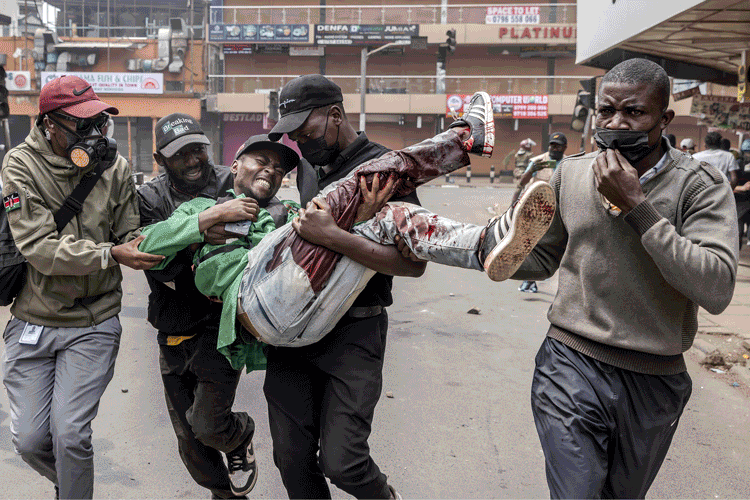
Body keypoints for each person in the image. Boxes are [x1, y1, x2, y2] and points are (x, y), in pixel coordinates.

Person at [511, 58, 738, 499]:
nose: (616, 124)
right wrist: (461, 245)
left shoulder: (700, 185)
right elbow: (540, 257)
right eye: (606, 111)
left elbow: (716, 287)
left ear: (664, 119)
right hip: (570, 361)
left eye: (634, 112)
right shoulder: (570, 173)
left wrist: (638, 208)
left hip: (653, 377)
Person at [1, 75, 164, 499]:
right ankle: (71, 482)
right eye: (81, 123)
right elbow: (39, 248)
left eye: (98, 121)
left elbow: (131, 233)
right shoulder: (21, 165)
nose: (94, 132)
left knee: (71, 435)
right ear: (49, 124)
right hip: (33, 319)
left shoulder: (115, 167)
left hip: (94, 320)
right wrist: (111, 254)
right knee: (30, 442)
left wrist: (177, 231)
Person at [137, 113, 261, 498]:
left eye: (198, 150)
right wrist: (205, 231)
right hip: (173, 325)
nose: (193, 160)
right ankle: (223, 492)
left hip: (220, 324)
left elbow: (254, 237)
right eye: (180, 154)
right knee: (190, 443)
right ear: (160, 159)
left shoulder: (230, 182)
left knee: (208, 424)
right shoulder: (150, 198)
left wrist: (182, 240)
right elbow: (154, 259)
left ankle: (238, 436)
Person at [510, 132, 567, 293]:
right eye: (552, 145)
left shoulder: (569, 164)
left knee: (559, 245)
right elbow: (522, 183)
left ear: (564, 148)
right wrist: (531, 171)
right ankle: (529, 280)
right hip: (537, 208)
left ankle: (555, 282)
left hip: (560, 210)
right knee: (533, 243)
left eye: (558, 146)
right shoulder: (538, 161)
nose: (554, 149)